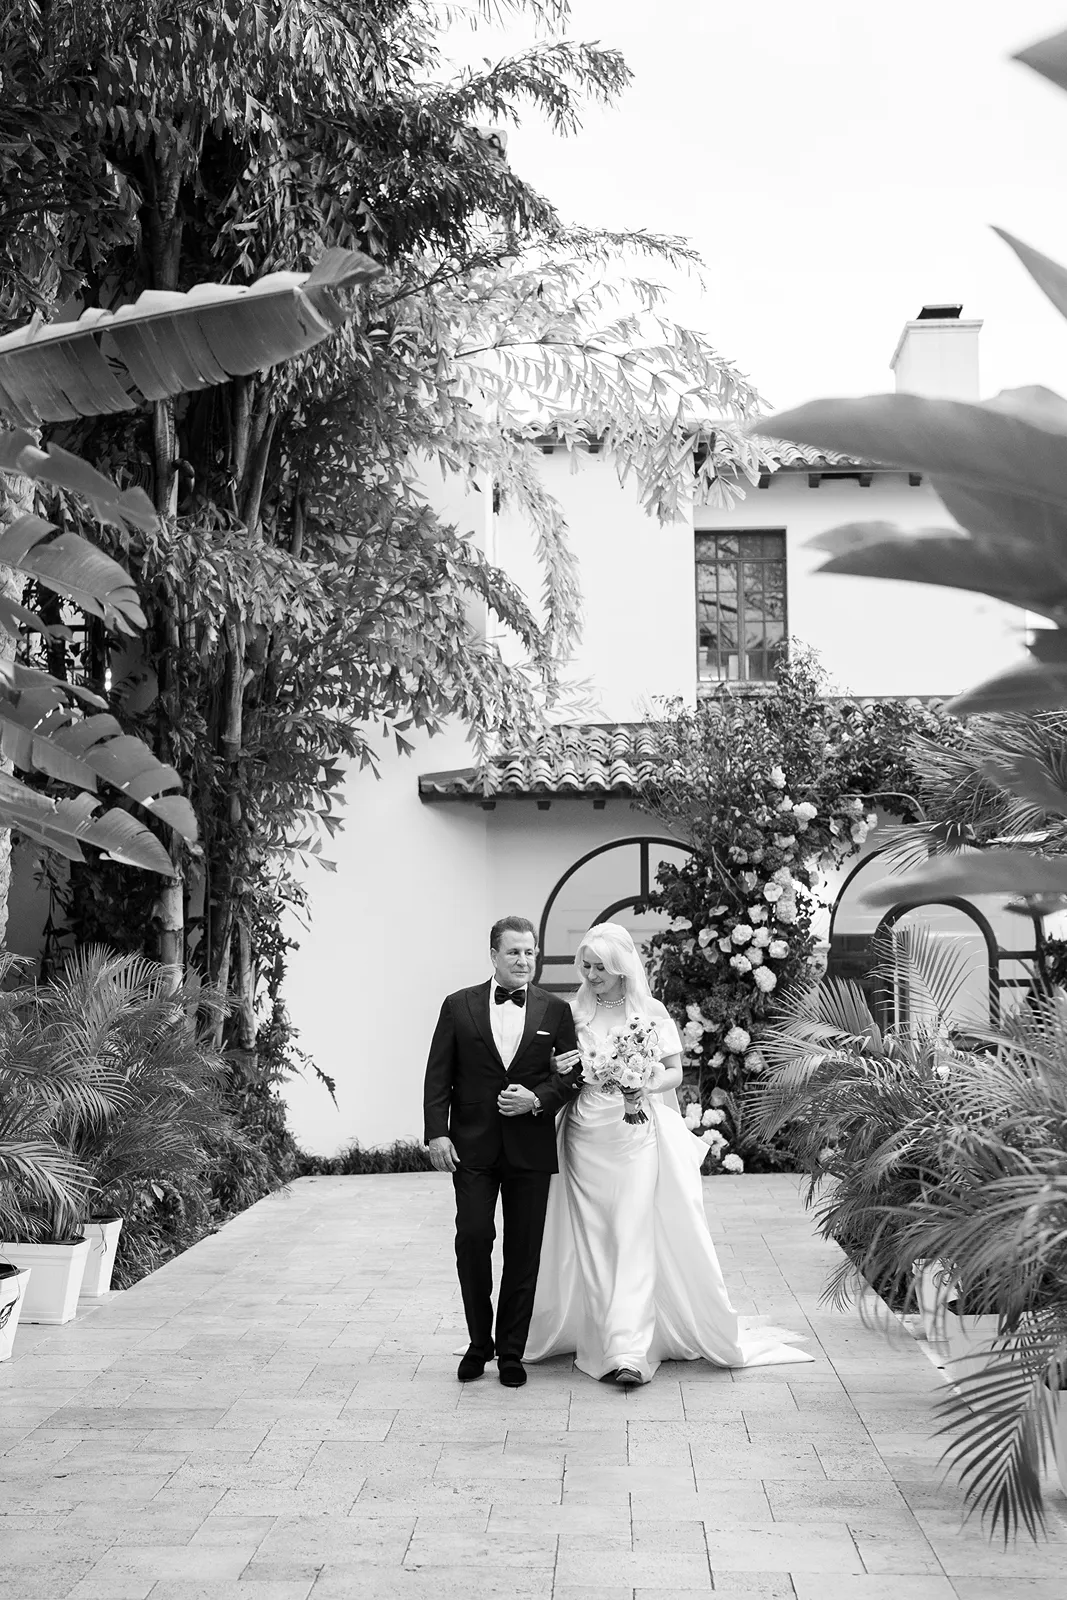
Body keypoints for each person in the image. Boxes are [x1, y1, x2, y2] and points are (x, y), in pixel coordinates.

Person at [525, 921, 812, 1386]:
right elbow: (558, 1069)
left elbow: (675, 1072)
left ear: (621, 969)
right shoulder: (571, 1012)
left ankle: (629, 1350)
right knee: (595, 1241)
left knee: (632, 1233)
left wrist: (642, 1083)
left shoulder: (650, 1010)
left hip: (634, 1135)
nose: (591, 974)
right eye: (586, 965)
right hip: (583, 1136)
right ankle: (605, 1335)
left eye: (600, 967)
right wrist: (559, 1066)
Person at [423, 915, 580, 1388]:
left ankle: (511, 1350)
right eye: (514, 952)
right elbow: (438, 1075)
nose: (524, 960)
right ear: (493, 955)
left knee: (523, 1250)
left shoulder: (555, 1010)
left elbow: (572, 1076)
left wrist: (539, 1100)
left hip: (530, 1146)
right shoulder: (458, 1006)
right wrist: (437, 1132)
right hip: (471, 1146)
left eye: (530, 952)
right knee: (472, 1238)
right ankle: (478, 1344)